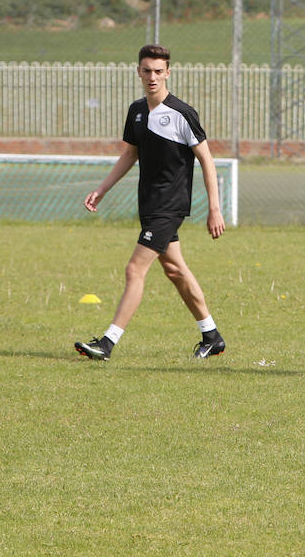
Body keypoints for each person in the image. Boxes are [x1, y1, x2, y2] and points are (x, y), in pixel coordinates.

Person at [75, 44, 226, 362]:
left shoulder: (182, 114)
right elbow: (130, 154)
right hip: (150, 204)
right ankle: (211, 335)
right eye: (147, 70)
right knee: (175, 269)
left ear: (168, 72)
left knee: (135, 269)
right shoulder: (137, 111)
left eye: (159, 71)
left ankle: (107, 342)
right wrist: (103, 189)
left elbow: (207, 160)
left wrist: (214, 208)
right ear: (138, 72)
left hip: (170, 207)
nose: (152, 77)